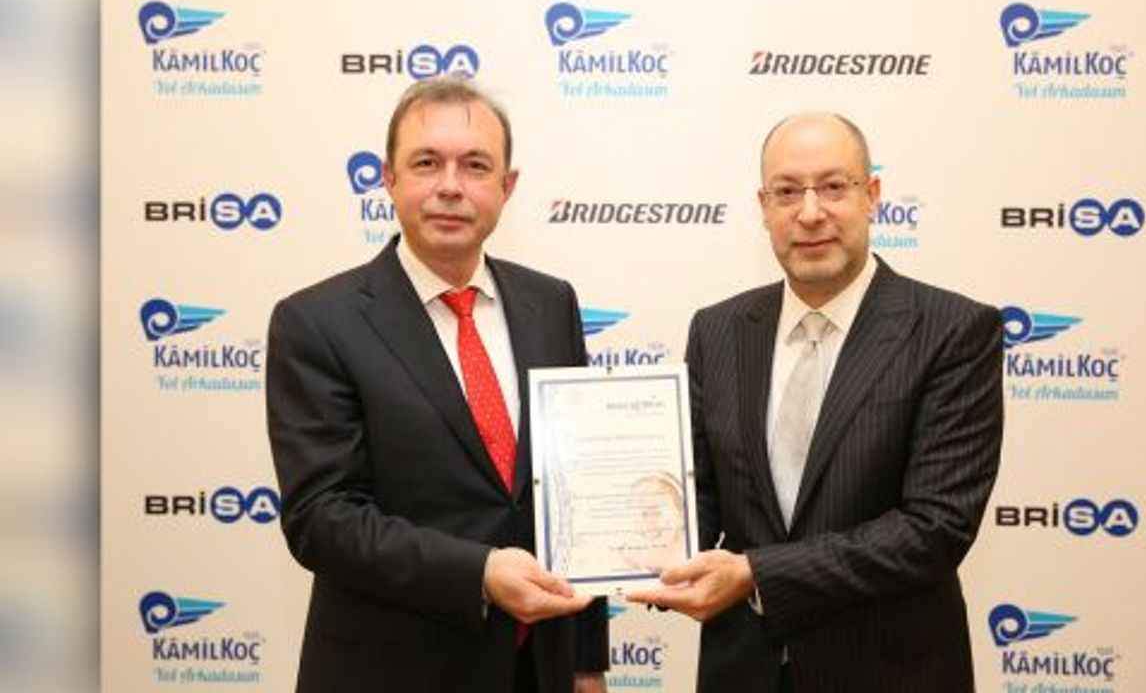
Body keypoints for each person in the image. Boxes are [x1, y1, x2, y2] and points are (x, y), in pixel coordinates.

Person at [628, 111, 1004, 692]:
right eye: (786, 192)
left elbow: (934, 529)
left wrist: (755, 574)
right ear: (763, 207)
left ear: (872, 195)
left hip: (888, 673)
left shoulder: (952, 330)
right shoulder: (717, 330)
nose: (809, 213)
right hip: (744, 673)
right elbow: (698, 494)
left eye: (832, 187)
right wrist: (629, 547)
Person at [266, 77, 608, 693]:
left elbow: (574, 492)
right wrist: (479, 572)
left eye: (475, 166)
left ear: (507, 187)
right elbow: (322, 518)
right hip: (390, 672)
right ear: (389, 179)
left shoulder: (551, 303)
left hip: (538, 670)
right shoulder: (317, 321)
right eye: (427, 163)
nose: (450, 185)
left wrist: (586, 663)